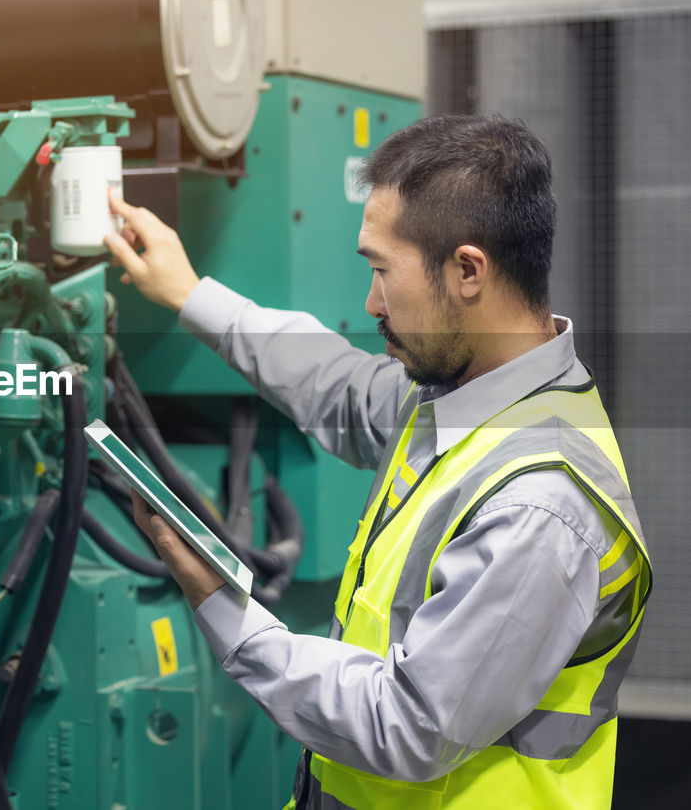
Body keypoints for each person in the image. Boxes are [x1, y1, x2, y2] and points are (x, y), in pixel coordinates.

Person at [102, 114, 653, 810]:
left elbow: (407, 727)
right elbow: (334, 381)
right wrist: (189, 293)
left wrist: (221, 605)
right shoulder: (459, 400)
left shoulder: (538, 506)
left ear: (467, 271)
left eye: (383, 272)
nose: (370, 304)